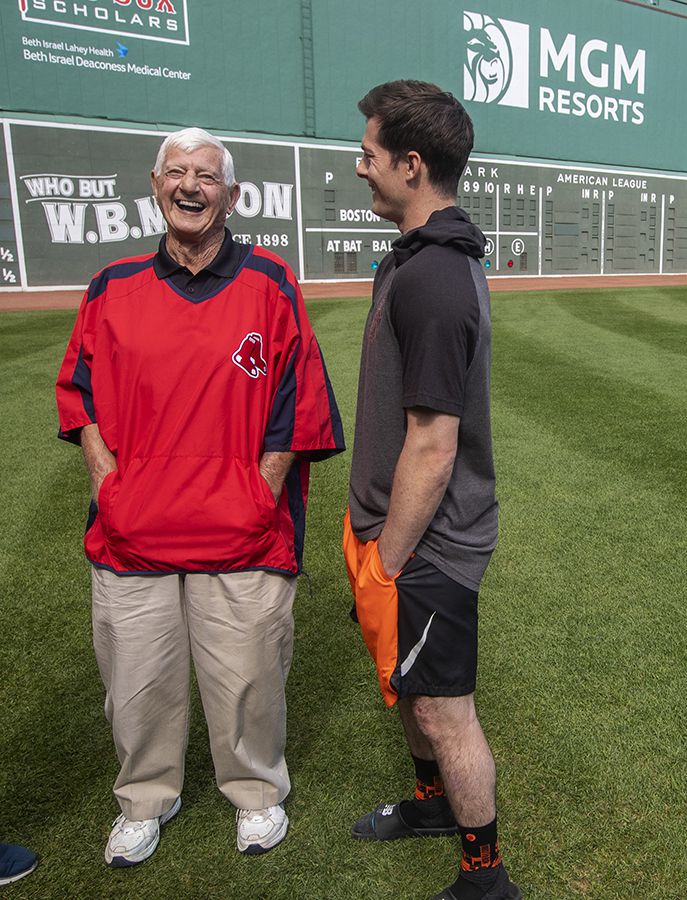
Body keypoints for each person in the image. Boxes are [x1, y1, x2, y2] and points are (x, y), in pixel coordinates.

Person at [55, 127, 345, 867]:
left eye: (206, 176)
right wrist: (104, 477)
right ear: (154, 186)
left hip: (242, 531)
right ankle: (145, 801)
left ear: (232, 195)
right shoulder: (112, 285)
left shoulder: (270, 283)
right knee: (138, 685)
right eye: (177, 173)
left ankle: (256, 795)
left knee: (248, 680)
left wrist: (262, 488)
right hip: (133, 532)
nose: (191, 186)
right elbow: (77, 391)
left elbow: (299, 401)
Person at [343, 81, 520, 900]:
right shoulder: (416, 260)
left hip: (429, 542)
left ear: (412, 166)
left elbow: (434, 443)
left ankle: (485, 878)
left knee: (446, 710)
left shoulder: (437, 279)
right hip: (396, 529)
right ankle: (429, 808)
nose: (360, 167)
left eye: (372, 155)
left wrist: (387, 559)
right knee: (413, 690)